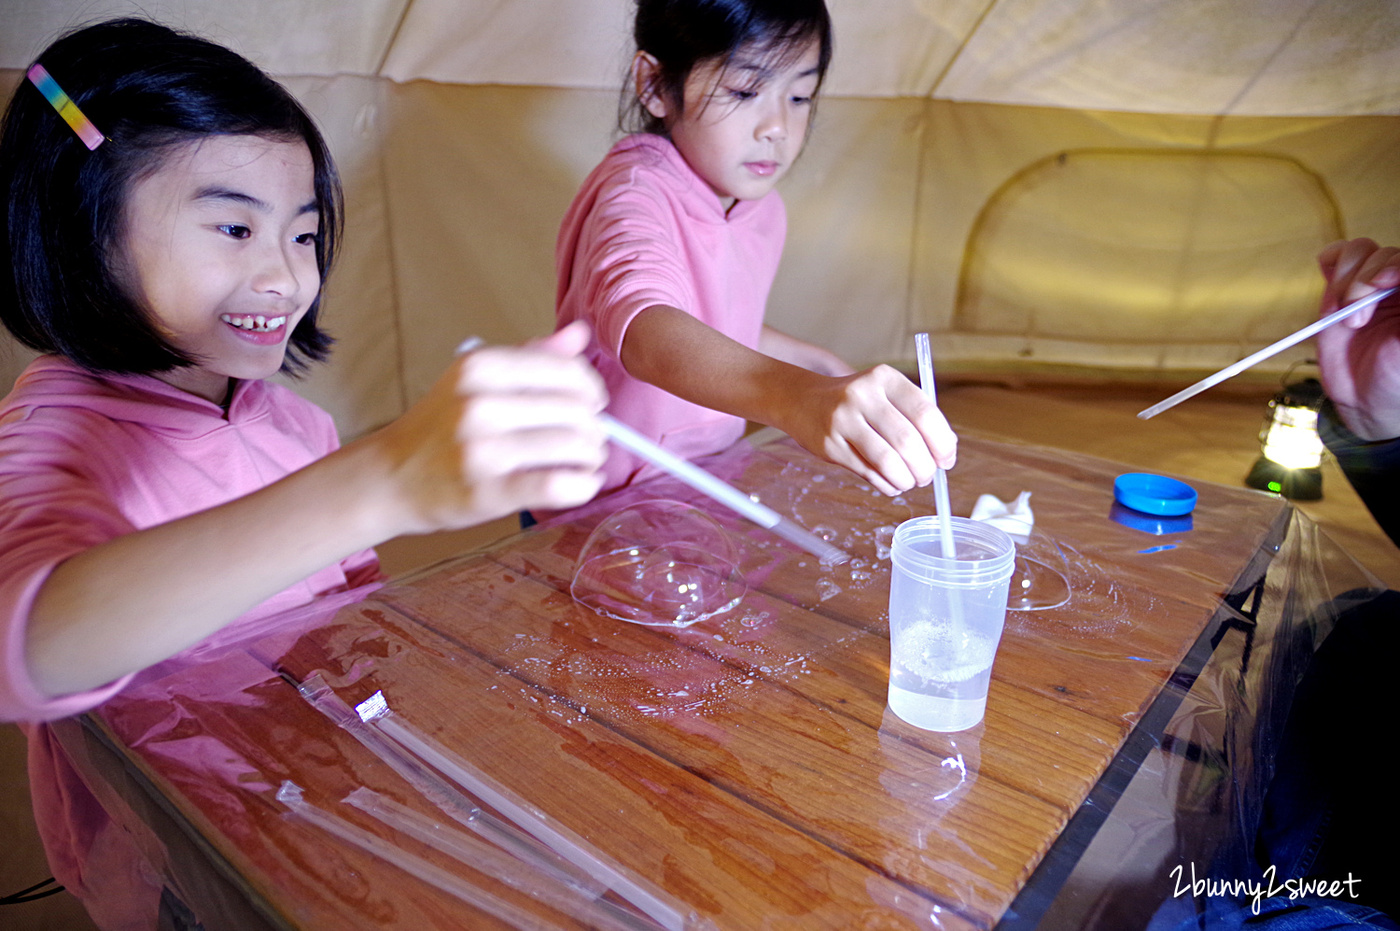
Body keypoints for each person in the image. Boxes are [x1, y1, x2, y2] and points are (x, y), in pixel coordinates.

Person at [0, 18, 607, 928]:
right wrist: (385, 479)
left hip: (316, 815)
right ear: (83, 220)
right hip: (176, 868)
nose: (287, 279)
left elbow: (353, 612)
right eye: (235, 227)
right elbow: (28, 643)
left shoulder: (294, 421)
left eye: (304, 234)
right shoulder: (58, 434)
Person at [554, 0, 957, 501]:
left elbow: (717, 319)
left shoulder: (760, 210)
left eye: (800, 96)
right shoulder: (637, 192)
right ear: (656, 85)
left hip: (697, 485)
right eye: (745, 91)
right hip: (594, 502)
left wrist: (825, 371)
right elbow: (646, 331)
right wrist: (797, 398)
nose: (777, 127)